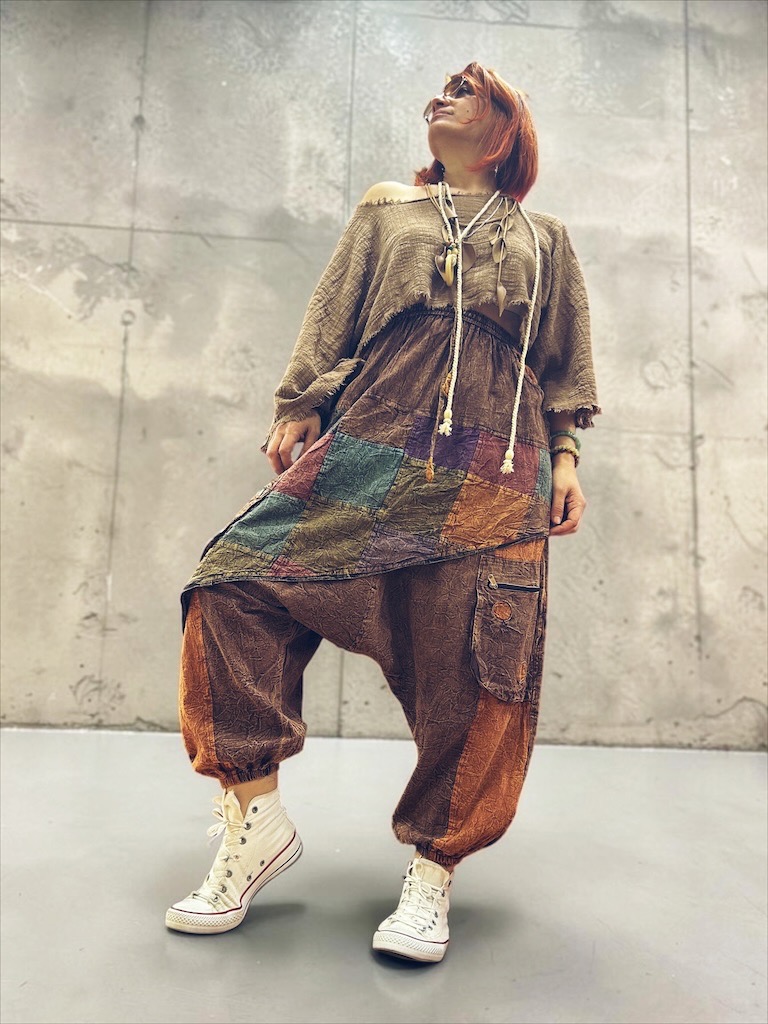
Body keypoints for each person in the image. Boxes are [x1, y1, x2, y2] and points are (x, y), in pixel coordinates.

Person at [165, 61, 600, 963]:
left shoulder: (546, 237)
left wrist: (565, 458)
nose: (441, 97)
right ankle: (255, 821)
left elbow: (563, 363)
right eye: (439, 89)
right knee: (230, 584)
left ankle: (434, 872)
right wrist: (299, 402)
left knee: (480, 670)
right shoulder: (388, 209)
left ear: (505, 126)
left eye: (464, 91)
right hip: (377, 440)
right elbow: (334, 312)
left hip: (495, 466)